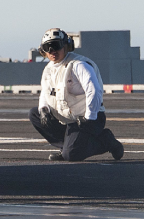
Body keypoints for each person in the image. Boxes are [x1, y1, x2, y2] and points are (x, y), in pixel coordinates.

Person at [28, 29, 124, 161]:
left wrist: (89, 117)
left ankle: (106, 141)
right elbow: (46, 92)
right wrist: (43, 109)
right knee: (35, 114)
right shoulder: (49, 69)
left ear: (65, 46)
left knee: (71, 155)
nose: (52, 50)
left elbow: (94, 90)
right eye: (47, 47)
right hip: (66, 119)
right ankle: (66, 146)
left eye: (56, 45)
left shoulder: (79, 65)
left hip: (87, 119)